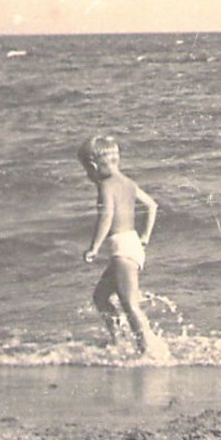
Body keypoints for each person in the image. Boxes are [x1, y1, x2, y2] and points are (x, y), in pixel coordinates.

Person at [78, 135, 160, 356]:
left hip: (122, 249)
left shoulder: (106, 186)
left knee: (130, 304)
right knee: (101, 297)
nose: (89, 177)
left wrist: (94, 247)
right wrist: (145, 237)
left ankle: (148, 351)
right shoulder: (129, 184)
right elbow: (152, 206)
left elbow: (107, 216)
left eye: (87, 171)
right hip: (132, 245)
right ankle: (119, 342)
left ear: (94, 167)